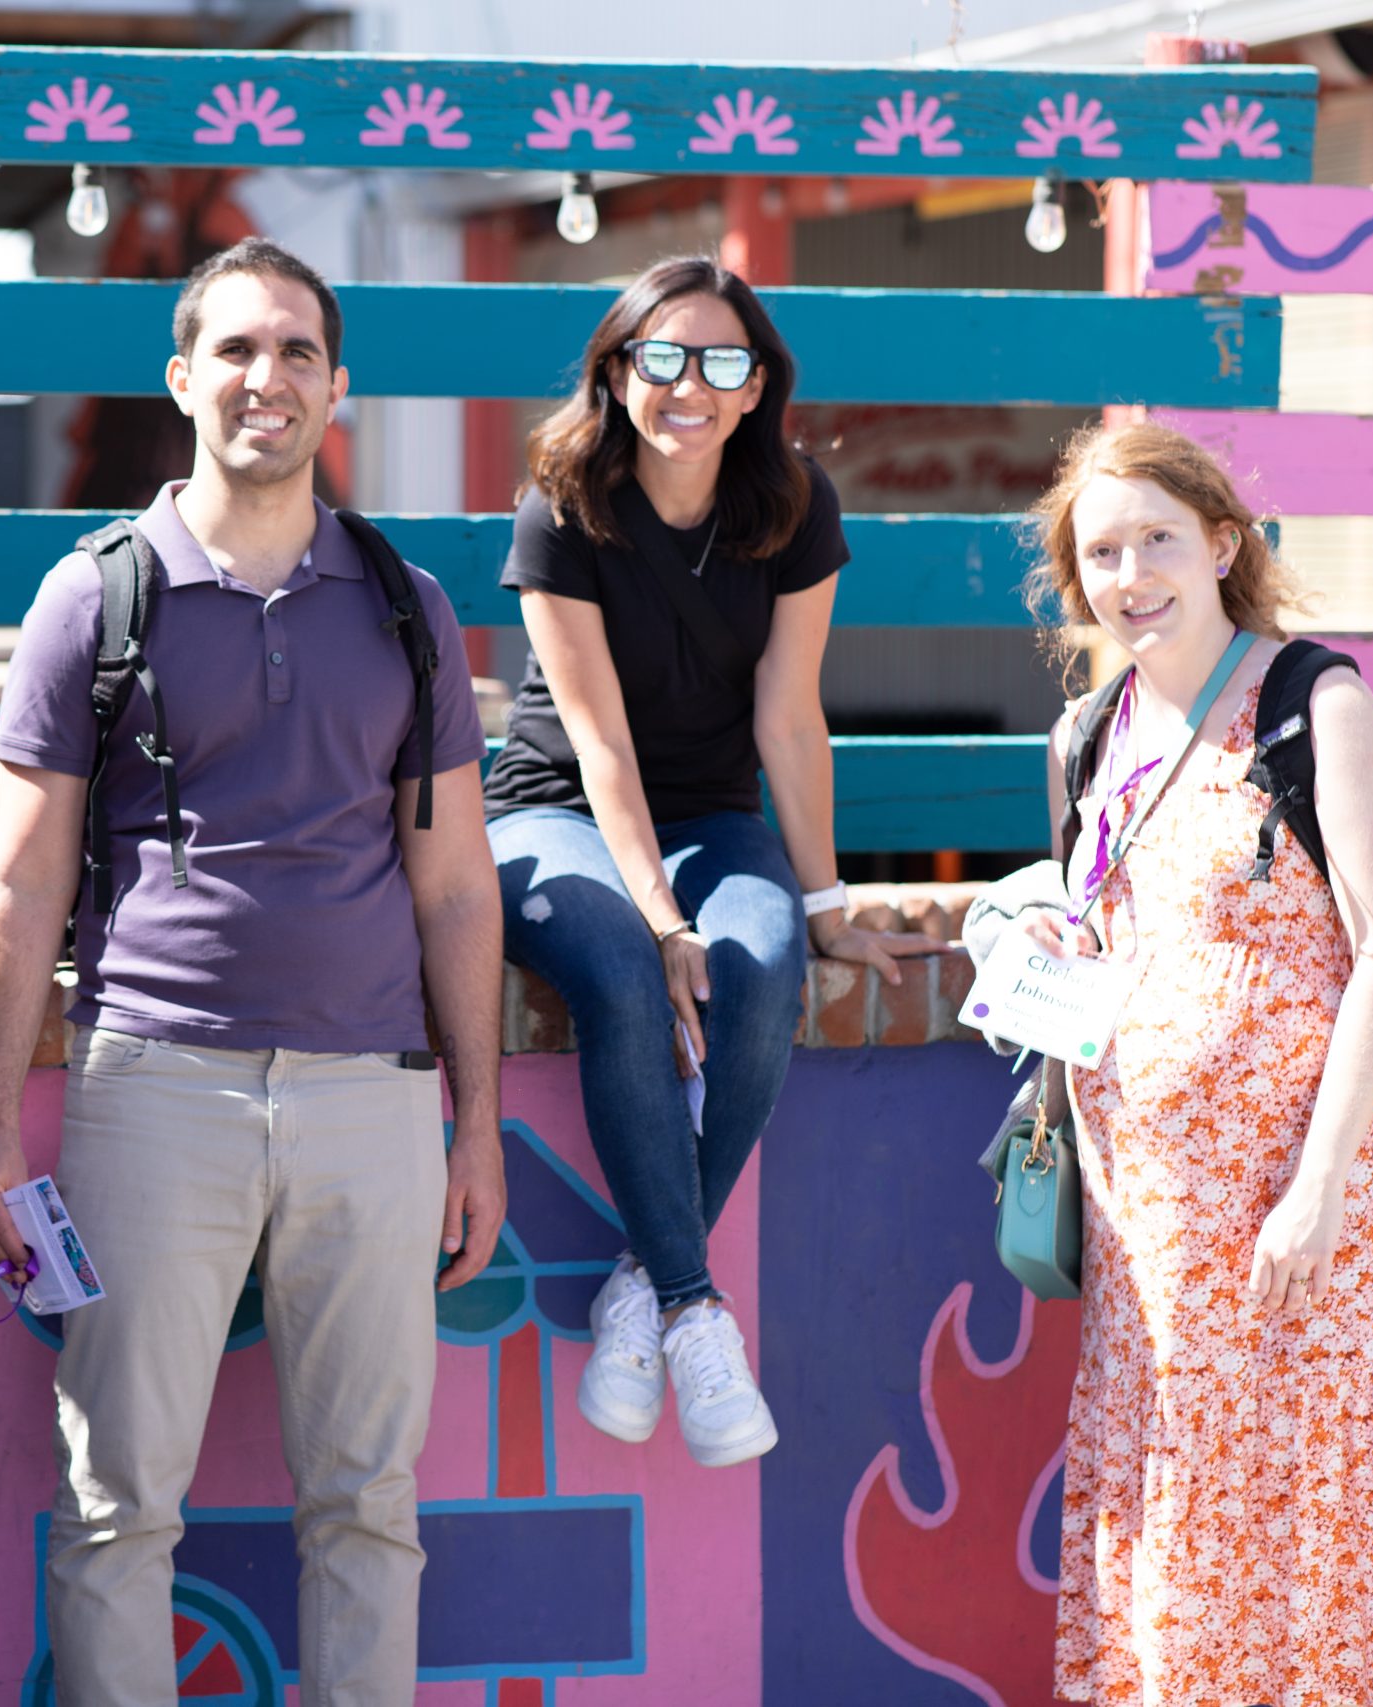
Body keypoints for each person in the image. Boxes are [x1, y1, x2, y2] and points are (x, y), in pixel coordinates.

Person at [0, 237, 507, 1705]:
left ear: (336, 388)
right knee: (118, 1501)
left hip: (373, 1098)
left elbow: (454, 884)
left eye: (299, 352)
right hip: (154, 1084)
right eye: (238, 350)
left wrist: (478, 1124)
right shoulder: (94, 598)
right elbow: (21, 874)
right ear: (183, 376)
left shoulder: (406, 601)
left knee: (370, 1503)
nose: (269, 378)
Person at [1023, 421, 1373, 1706]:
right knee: (1181, 1499)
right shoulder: (1085, 735)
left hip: (1303, 1198)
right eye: (1100, 551)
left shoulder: (1316, 703)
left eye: (1157, 537)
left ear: (1223, 543)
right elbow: (1115, 938)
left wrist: (1316, 1187)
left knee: (1318, 1496)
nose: (1130, 572)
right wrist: (1051, 934)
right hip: (1149, 1223)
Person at [481, 255, 937, 1466]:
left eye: (723, 362)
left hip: (713, 809)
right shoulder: (561, 505)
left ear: (754, 389)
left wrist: (827, 901)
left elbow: (789, 717)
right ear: (617, 372)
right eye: (664, 356)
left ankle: (644, 1286)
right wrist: (656, 914)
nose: (692, 384)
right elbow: (597, 742)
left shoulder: (793, 505)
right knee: (629, 971)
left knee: (767, 962)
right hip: (551, 808)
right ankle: (694, 1308)